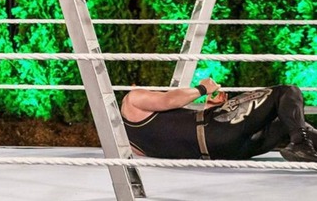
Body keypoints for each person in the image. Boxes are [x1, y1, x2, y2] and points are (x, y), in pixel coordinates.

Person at [120, 77, 317, 162]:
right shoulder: (131, 100)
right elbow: (168, 99)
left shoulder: (133, 146)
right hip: (216, 130)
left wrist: (210, 108)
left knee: (287, 121)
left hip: (222, 151)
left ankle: (303, 144)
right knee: (286, 92)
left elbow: (178, 138)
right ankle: (300, 145)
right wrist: (202, 88)